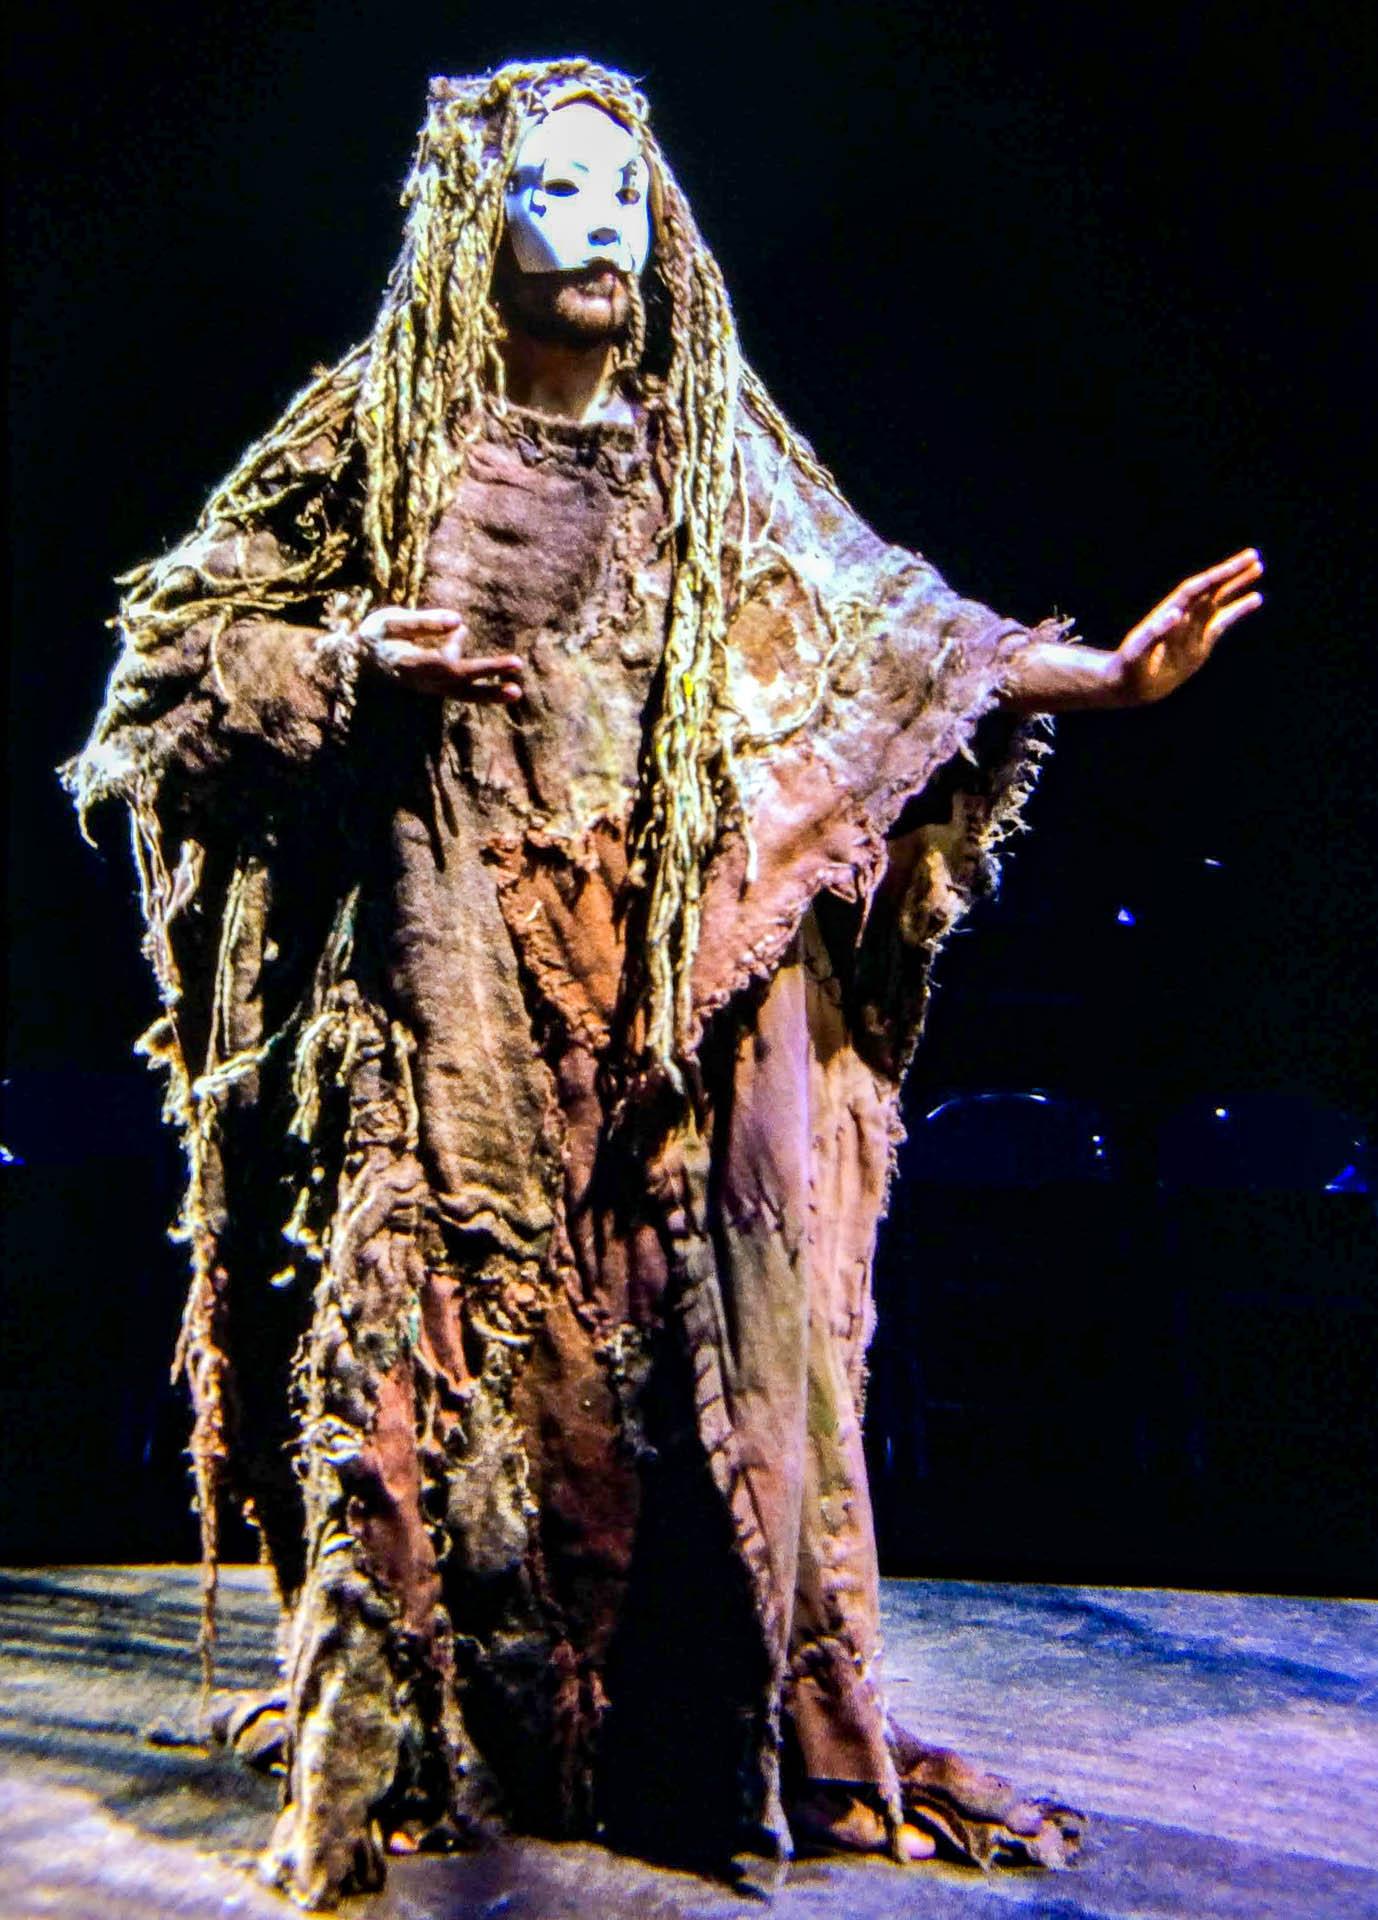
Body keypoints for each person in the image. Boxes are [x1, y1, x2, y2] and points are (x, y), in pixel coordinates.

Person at [66, 57, 1263, 1908]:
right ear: (476, 222)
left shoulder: (713, 456)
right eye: (555, 189)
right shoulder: (374, 437)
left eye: (625, 190)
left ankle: (683, 1751)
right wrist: (348, 661)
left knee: (695, 1353)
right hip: (450, 986)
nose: (601, 224)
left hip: (675, 993)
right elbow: (158, 690)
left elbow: (884, 632)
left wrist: (1098, 679)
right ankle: (439, 1747)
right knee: (445, 1355)